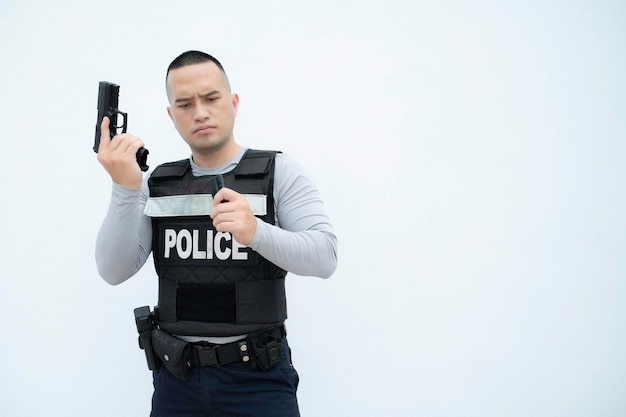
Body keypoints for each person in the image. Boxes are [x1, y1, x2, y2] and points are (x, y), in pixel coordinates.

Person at [95, 50, 338, 417]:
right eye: (185, 103)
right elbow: (113, 270)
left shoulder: (279, 171)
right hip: (177, 380)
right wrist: (125, 187)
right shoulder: (156, 182)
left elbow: (325, 257)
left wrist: (256, 231)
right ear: (171, 115)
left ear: (234, 102)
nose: (200, 112)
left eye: (211, 98)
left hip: (259, 379)